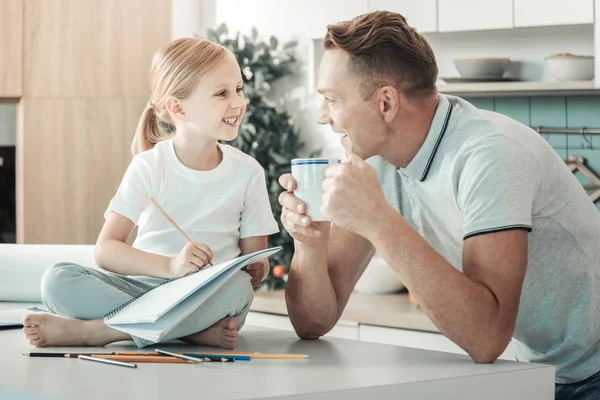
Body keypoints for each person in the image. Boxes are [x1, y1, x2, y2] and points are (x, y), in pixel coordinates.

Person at [278, 11, 600, 399]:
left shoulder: (489, 155)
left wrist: (379, 221)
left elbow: (486, 338)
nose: (322, 116)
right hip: (540, 370)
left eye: (332, 100)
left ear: (385, 103)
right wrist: (309, 244)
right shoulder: (375, 161)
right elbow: (314, 322)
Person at [23, 38, 279, 349]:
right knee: (57, 280)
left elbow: (253, 264)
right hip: (143, 288)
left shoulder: (247, 171)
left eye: (238, 89)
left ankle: (100, 331)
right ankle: (188, 332)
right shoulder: (149, 166)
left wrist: (256, 270)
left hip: (206, 294)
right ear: (177, 107)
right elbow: (106, 249)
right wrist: (171, 267)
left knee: (238, 288)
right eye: (222, 93)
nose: (238, 102)